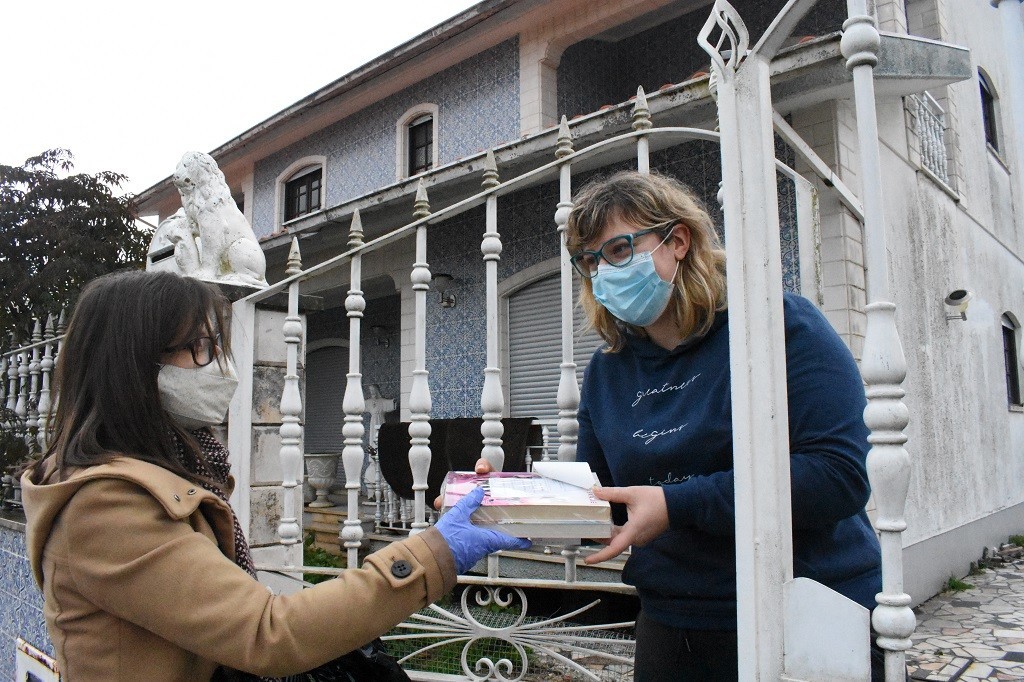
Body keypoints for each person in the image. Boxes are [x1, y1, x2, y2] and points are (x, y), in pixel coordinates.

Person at [472, 171, 885, 680]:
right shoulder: (608, 371)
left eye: (619, 250)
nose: (603, 272)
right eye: (590, 261)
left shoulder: (780, 326)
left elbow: (840, 476)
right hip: (673, 622)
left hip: (807, 611)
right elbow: (602, 503)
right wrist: (500, 500)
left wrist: (676, 504)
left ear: (679, 241)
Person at [21, 270, 529, 681]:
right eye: (199, 346)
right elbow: (268, 634)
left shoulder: (165, 470)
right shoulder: (105, 506)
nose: (219, 366)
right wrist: (434, 552)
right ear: (133, 365)